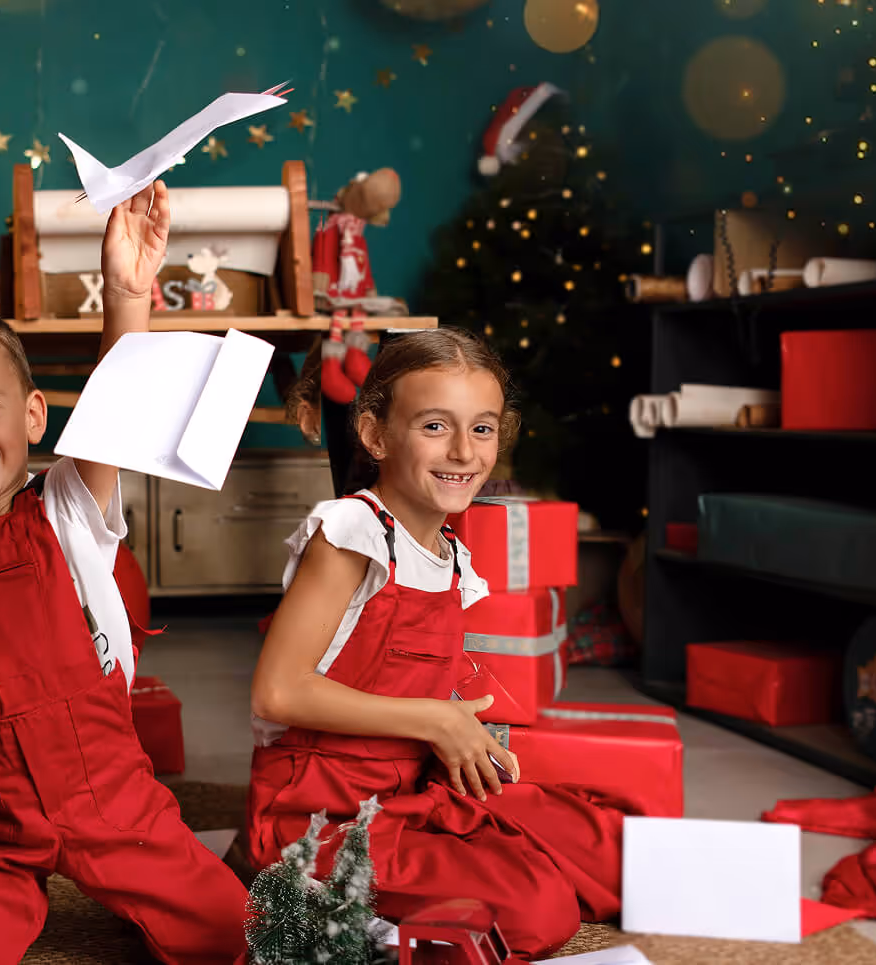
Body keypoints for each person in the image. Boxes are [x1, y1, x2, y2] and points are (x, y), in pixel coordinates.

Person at [0, 181, 249, 965]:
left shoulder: (67, 507)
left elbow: (118, 409)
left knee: (237, 934)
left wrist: (128, 294)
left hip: (114, 804)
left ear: (34, 415)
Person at [245, 328, 629, 959]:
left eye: (481, 429)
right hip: (321, 814)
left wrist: (463, 735)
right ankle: (308, 903)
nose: (463, 451)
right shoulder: (352, 534)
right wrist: (435, 720)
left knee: (597, 839)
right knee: (539, 906)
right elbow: (279, 690)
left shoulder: (451, 558)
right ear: (375, 436)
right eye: (433, 426)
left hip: (408, 791)